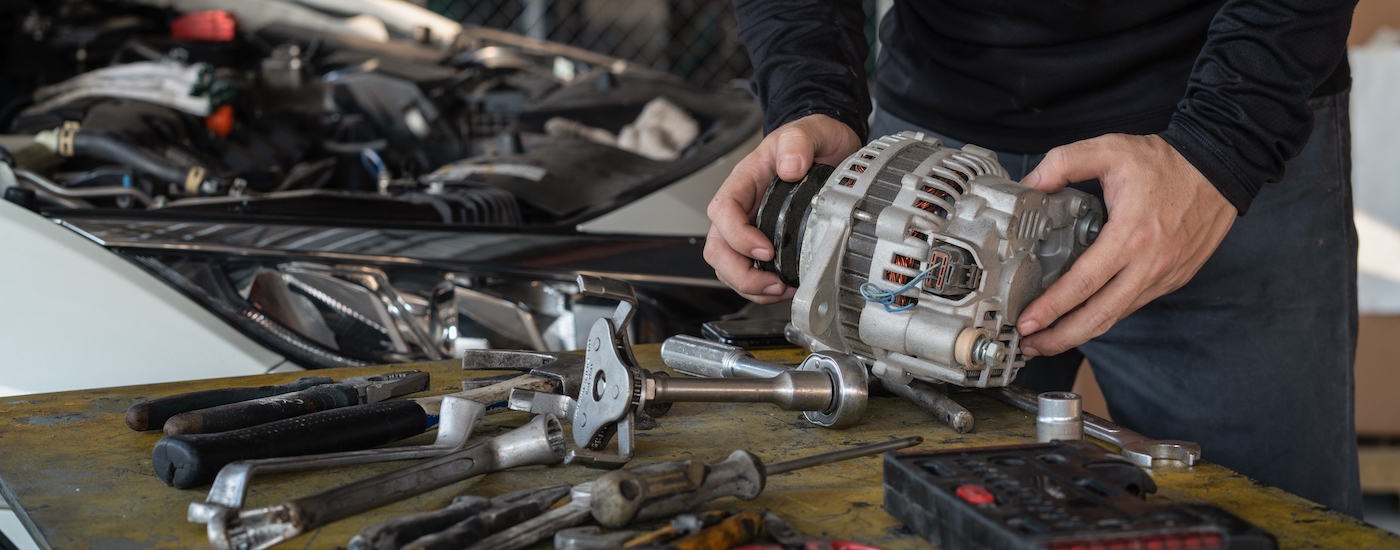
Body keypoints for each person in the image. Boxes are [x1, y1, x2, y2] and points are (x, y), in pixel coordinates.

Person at [706, 0, 1362, 517]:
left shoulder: (1219, 148)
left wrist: (1225, 143)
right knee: (904, 513)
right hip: (924, 162)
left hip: (1210, 149)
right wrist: (810, 97)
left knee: (1269, 516)